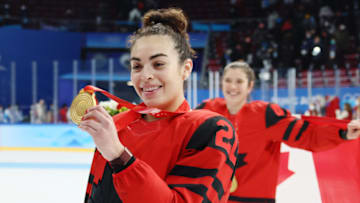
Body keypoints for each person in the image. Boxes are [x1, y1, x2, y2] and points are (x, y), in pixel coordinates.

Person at [79, 8, 238, 203]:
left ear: (186, 68)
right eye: (136, 66)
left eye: (159, 64)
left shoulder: (209, 129)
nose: (145, 76)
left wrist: (119, 156)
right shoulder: (118, 126)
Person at [196, 61, 360, 203]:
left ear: (250, 86)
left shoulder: (266, 115)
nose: (232, 86)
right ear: (221, 83)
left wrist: (343, 133)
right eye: (228, 80)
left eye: (239, 81)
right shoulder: (207, 111)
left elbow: (308, 135)